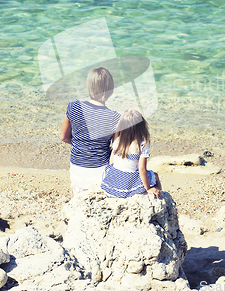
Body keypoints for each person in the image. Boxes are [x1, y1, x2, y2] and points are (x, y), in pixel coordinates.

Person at [60, 67, 121, 196]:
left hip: (77, 170)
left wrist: (81, 144)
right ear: (110, 90)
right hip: (99, 174)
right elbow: (115, 152)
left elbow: (64, 137)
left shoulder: (73, 107)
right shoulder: (115, 117)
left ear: (89, 87)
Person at [101, 109, 162, 199]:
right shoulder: (142, 144)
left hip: (115, 179)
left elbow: (111, 161)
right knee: (155, 176)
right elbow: (142, 169)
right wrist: (148, 188)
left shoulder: (117, 140)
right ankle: (160, 197)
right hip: (130, 180)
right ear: (141, 126)